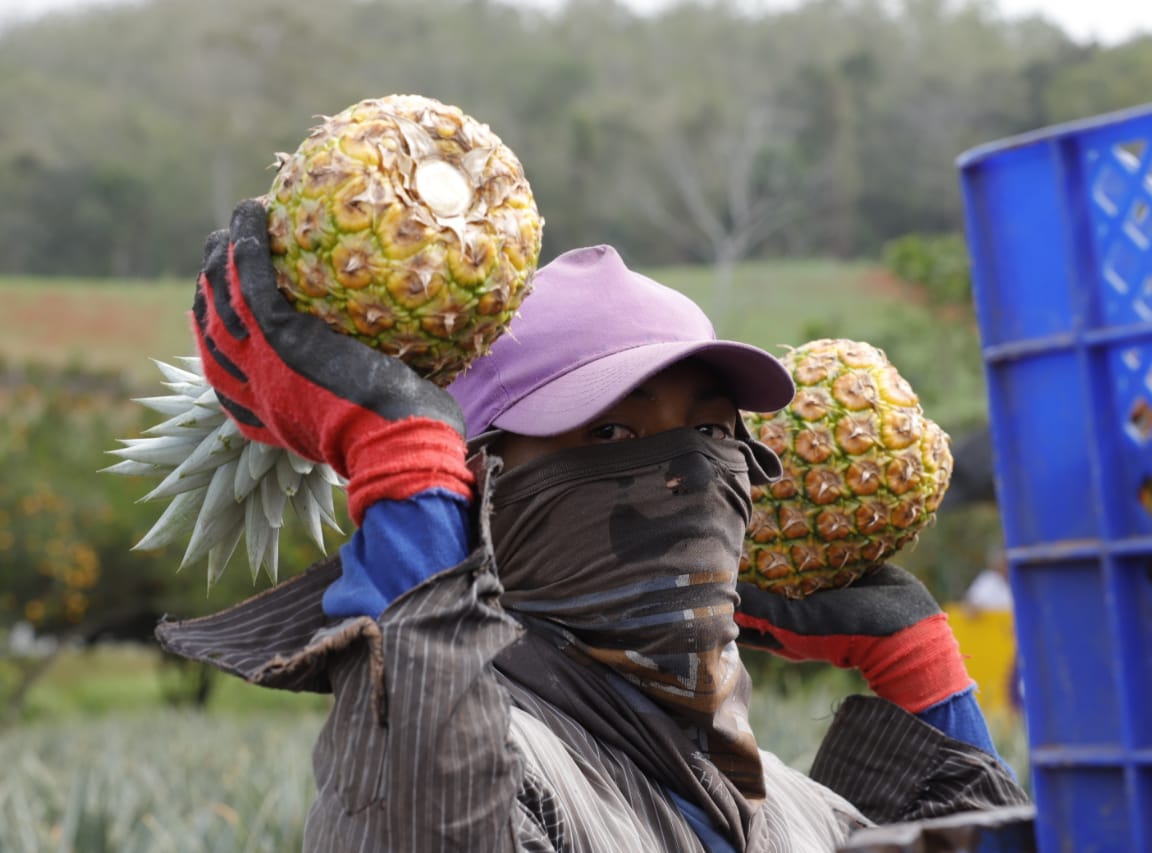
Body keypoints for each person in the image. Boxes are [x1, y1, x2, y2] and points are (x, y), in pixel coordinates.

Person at [158, 199, 1027, 851]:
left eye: (712, 434)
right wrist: (407, 483)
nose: (685, 475)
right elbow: (435, 806)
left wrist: (918, 674)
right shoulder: (509, 765)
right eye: (609, 432)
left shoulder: (795, 809)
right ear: (483, 487)